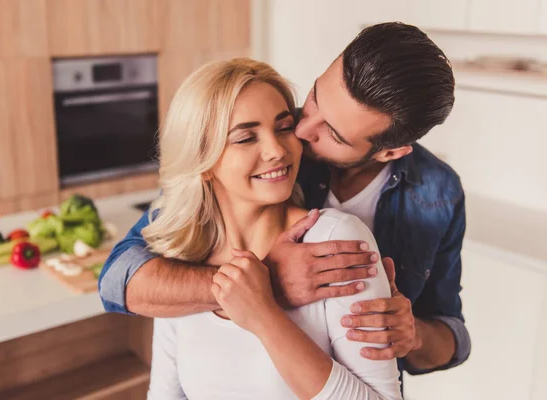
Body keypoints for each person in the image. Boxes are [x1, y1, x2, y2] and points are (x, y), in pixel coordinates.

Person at [99, 22, 470, 384]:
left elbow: (452, 334)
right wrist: (264, 281)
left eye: (334, 134)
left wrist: (414, 335)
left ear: (389, 152)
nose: (301, 130)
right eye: (314, 98)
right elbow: (120, 278)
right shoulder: (272, 148)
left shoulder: (438, 193)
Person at [145, 56, 402, 399]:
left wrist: (265, 317)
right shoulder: (181, 257)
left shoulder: (334, 240)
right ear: (202, 162)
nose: (277, 150)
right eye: (246, 138)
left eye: (283, 127)